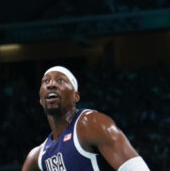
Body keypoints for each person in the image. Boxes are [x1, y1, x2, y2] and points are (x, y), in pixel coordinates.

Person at [21, 66, 149, 171]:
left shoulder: (92, 123)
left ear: (75, 96)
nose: (51, 85)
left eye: (60, 80)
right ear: (40, 100)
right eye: (46, 81)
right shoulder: (37, 156)